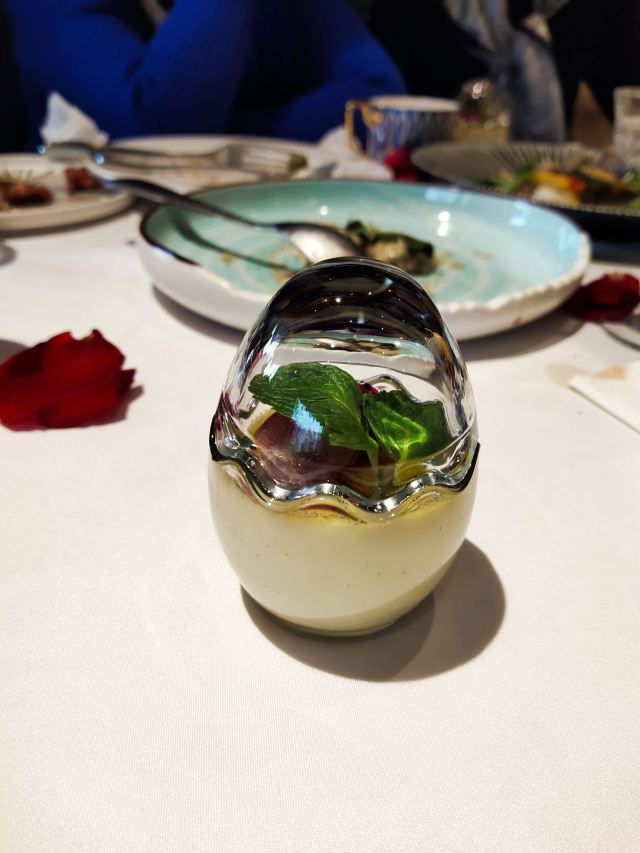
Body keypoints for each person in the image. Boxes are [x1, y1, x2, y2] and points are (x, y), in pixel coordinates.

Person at [5, 0, 405, 149]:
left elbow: (384, 102)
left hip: (253, 219)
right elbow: (155, 132)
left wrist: (219, 131)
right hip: (73, 247)